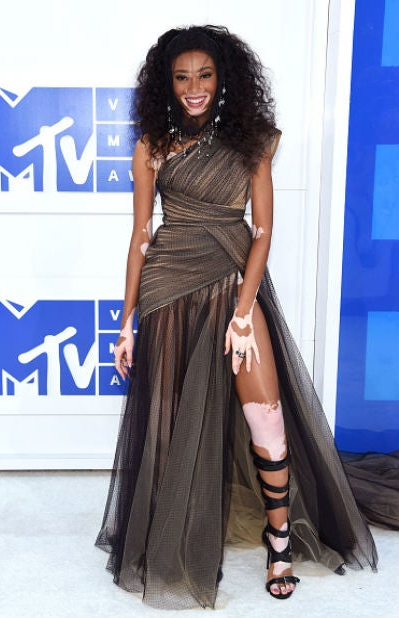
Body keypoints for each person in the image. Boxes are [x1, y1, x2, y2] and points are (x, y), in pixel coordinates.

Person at [95, 25, 377, 610]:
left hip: (232, 287)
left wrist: (244, 313)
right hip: (169, 290)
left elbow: (263, 232)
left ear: (223, 79)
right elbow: (141, 235)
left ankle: (280, 541)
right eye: (181, 77)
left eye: (204, 74)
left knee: (266, 421)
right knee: (171, 425)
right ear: (167, 84)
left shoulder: (253, 142)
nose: (194, 87)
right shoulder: (151, 146)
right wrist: (126, 322)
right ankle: (171, 535)